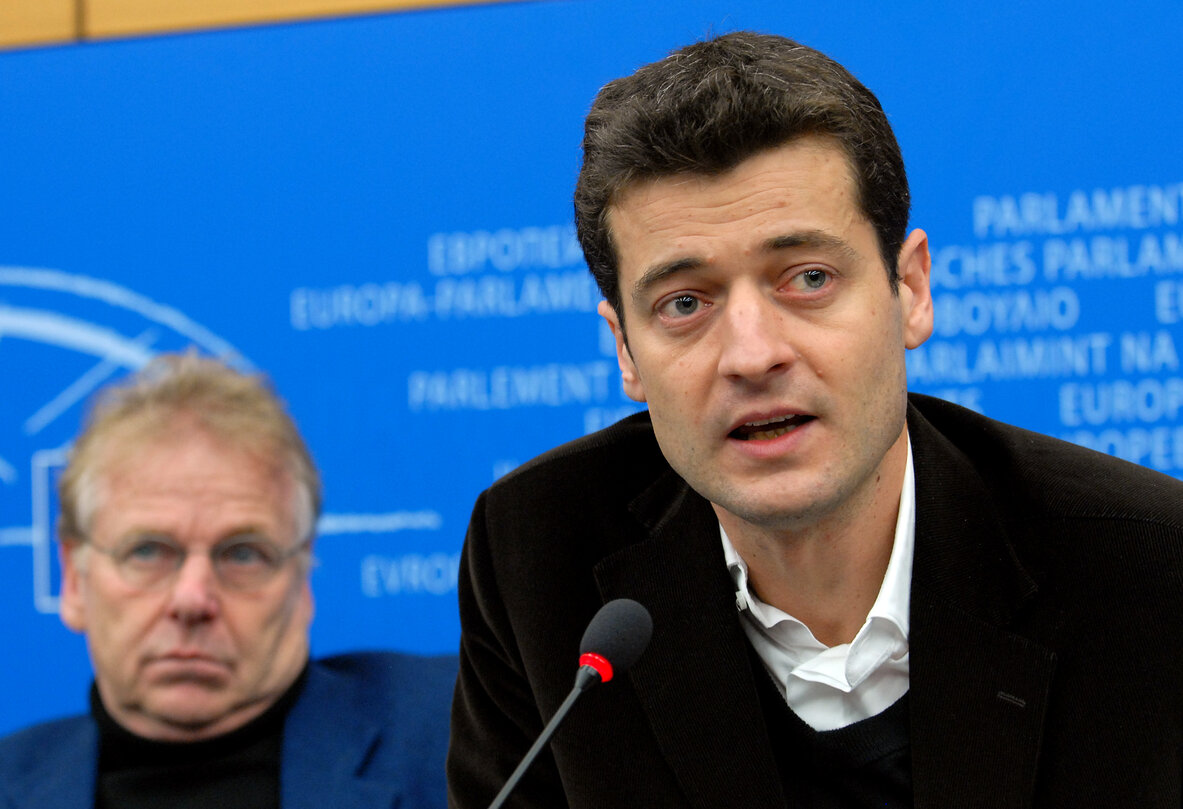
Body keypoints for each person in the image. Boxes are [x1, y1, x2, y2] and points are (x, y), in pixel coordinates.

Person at [447, 31, 1183, 808]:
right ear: (625, 350)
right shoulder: (537, 557)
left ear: (910, 289)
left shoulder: (1145, 572)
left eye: (806, 277)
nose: (752, 354)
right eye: (685, 303)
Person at [0, 353, 455, 809]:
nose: (193, 599)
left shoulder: (450, 733)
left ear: (301, 580)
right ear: (74, 579)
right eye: (148, 551)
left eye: (242, 555)